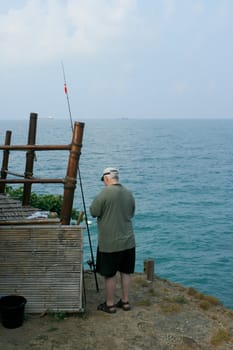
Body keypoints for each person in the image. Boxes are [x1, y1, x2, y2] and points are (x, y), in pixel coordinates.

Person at [90, 167, 136, 314]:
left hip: (110, 243)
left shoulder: (104, 193)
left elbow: (93, 212)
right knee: (126, 272)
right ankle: (125, 301)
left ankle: (110, 305)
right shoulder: (129, 193)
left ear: (106, 178)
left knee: (109, 274)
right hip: (128, 241)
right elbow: (131, 213)